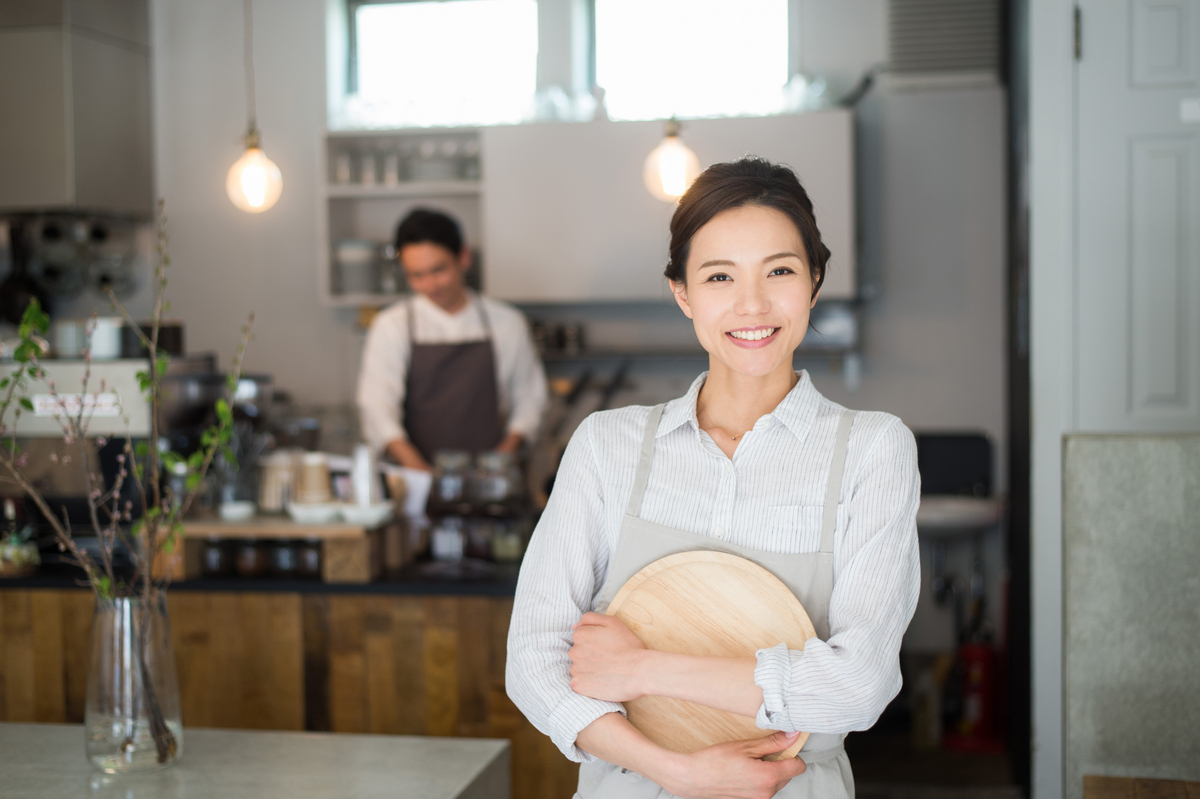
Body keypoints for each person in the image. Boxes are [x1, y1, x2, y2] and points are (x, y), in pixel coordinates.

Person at [506, 158, 920, 799]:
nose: (751, 304)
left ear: (813, 282)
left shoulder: (872, 450)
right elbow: (534, 662)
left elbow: (860, 687)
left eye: (779, 270)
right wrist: (678, 771)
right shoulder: (606, 445)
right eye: (719, 276)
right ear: (683, 294)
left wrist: (638, 668)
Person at [357, 208, 548, 470]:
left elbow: (530, 401)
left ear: (464, 257)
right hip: (417, 484)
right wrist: (419, 471)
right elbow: (378, 410)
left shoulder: (506, 323)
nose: (430, 285)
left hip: (491, 480)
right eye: (416, 275)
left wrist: (500, 459)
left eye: (439, 270)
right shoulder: (392, 326)